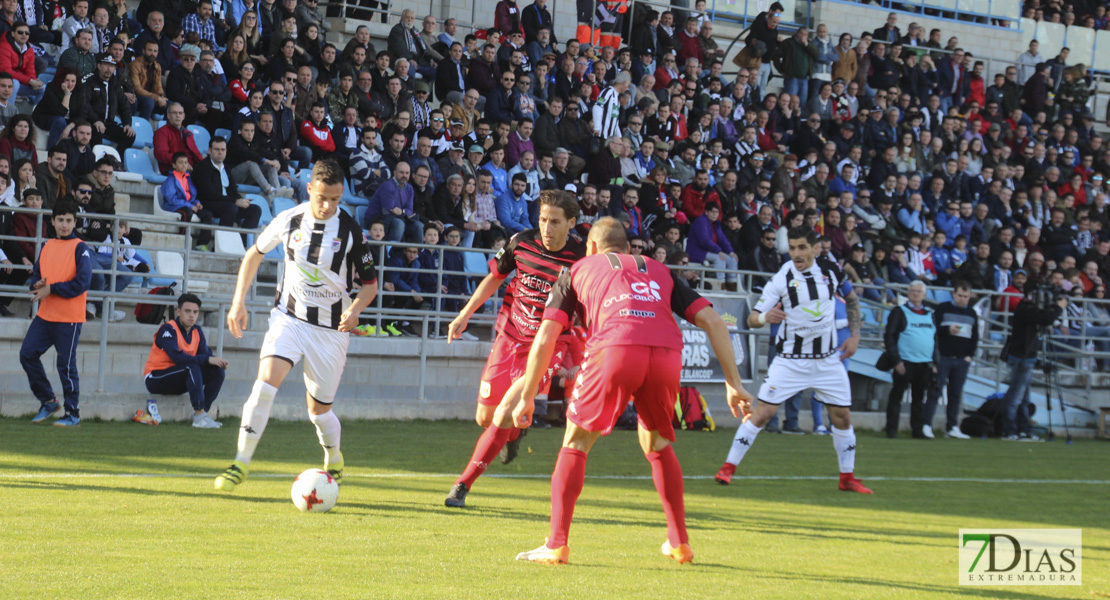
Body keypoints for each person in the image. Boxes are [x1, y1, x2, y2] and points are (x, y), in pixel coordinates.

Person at [512, 217, 750, 565]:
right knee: (656, 443)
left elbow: (547, 335)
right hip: (666, 355)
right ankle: (679, 541)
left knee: (576, 441)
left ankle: (556, 544)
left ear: (591, 247)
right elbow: (713, 320)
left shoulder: (577, 270)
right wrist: (734, 383)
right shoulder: (661, 270)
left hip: (615, 348)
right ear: (626, 248)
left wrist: (527, 394)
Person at [214, 159, 380, 492]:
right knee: (264, 385)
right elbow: (254, 254)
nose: (328, 205)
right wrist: (238, 302)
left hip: (331, 331)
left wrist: (357, 309)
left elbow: (370, 285)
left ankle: (333, 456)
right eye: (322, 197)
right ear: (310, 189)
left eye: (335, 199)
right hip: (289, 318)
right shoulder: (289, 219)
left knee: (318, 412)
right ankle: (240, 463)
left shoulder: (352, 233)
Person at [443, 191, 585, 509]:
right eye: (543, 220)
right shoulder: (521, 242)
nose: (547, 228)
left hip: (547, 347)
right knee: (486, 418)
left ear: (571, 223)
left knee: (505, 412)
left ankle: (461, 486)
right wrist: (464, 314)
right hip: (508, 338)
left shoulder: (581, 259)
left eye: (555, 222)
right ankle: (514, 435)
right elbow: (495, 278)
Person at [716, 227, 872, 495]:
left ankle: (847, 477)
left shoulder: (831, 271)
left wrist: (855, 336)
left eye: (802, 248)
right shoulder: (781, 279)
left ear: (815, 248)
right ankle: (727, 469)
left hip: (827, 361)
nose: (796, 254)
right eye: (792, 248)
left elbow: (852, 299)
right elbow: (753, 319)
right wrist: (766, 318)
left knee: (842, 417)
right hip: (790, 361)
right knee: (762, 414)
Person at [20, 200, 93, 427]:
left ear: (74, 222)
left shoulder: (81, 248)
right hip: (45, 315)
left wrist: (51, 288)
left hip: (69, 318)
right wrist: (37, 285)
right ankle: (49, 401)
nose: (64, 225)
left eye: (69, 220)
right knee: (27, 354)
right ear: (52, 221)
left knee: (66, 366)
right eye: (60, 220)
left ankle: (73, 413)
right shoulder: (48, 245)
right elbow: (36, 278)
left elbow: (82, 283)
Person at [141, 293, 228, 428]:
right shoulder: (168, 329)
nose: (192, 315)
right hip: (156, 378)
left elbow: (205, 356)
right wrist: (207, 359)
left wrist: (214, 361)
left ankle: (202, 414)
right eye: (187, 311)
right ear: (179, 312)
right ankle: (199, 415)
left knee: (218, 372)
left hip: (179, 378)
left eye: (195, 312)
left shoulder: (197, 331)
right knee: (191, 366)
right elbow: (178, 358)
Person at [998, 283, 1067, 441]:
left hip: (1028, 356)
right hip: (1021, 356)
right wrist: (1059, 307)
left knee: (1023, 398)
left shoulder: (1030, 309)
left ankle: (1024, 430)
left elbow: (1045, 318)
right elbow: (1046, 318)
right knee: (1015, 396)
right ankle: (1009, 430)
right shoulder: (1024, 308)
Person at [883, 280, 938, 439]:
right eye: (912, 291)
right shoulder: (899, 312)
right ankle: (891, 430)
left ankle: (917, 430)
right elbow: (890, 337)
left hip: (924, 363)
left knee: (919, 399)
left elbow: (935, 339)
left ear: (924, 294)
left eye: (918, 291)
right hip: (904, 363)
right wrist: (896, 361)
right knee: (896, 397)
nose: (915, 294)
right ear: (908, 293)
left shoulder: (930, 314)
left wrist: (935, 362)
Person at [925, 281, 977, 439]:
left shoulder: (972, 313)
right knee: (935, 392)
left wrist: (970, 356)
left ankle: (952, 426)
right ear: (954, 294)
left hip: (962, 360)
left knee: (955, 394)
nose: (963, 299)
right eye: (960, 295)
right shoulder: (942, 308)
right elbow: (932, 330)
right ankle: (927, 424)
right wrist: (947, 330)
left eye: (966, 296)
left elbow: (975, 336)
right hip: (944, 358)